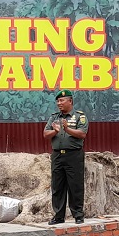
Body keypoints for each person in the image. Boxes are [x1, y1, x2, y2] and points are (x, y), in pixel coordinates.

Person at [44, 89, 88, 225]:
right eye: (57, 101)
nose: (59, 103)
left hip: (73, 155)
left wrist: (67, 129)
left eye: (62, 100)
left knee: (75, 186)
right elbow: (45, 134)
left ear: (70, 101)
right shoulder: (54, 117)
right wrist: (55, 131)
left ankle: (78, 215)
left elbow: (82, 134)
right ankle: (58, 216)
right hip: (57, 155)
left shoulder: (80, 117)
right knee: (57, 186)